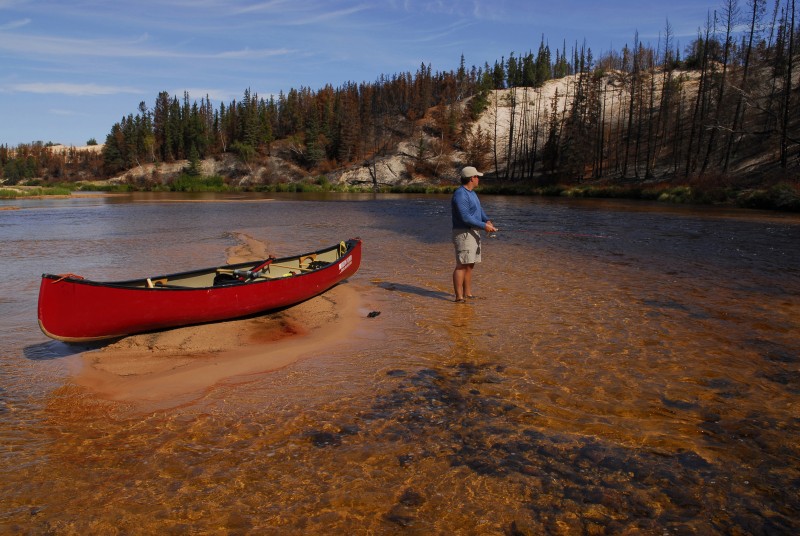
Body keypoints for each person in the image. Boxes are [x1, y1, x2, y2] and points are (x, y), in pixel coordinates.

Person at [451, 166, 497, 302]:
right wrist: (484, 226)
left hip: (473, 232)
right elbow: (465, 217)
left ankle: (468, 294)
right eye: (477, 177)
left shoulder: (472, 193)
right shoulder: (460, 194)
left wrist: (486, 220)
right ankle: (459, 298)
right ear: (472, 178)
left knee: (470, 264)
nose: (479, 179)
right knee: (462, 265)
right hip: (463, 233)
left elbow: (479, 210)